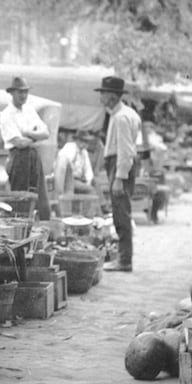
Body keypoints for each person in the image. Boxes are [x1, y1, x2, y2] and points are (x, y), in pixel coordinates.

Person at [97, 77, 141, 272]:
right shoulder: (126, 114)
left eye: (104, 93)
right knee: (121, 211)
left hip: (120, 164)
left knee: (121, 213)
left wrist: (119, 177)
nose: (101, 96)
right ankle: (124, 258)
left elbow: (125, 150)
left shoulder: (122, 117)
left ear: (113, 97)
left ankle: (124, 260)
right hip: (119, 163)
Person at [0, 76, 51, 220]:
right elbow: (19, 143)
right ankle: (19, 231)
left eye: (25, 92)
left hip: (33, 156)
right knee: (20, 199)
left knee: (40, 196)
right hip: (18, 158)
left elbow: (46, 133)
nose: (23, 96)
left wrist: (27, 134)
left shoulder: (29, 110)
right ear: (12, 93)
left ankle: (41, 228)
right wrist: (34, 137)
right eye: (20, 92)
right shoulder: (6, 115)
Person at [53, 127, 95, 199]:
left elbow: (88, 170)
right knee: (91, 190)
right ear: (77, 140)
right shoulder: (70, 147)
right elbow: (63, 166)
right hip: (67, 179)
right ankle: (100, 207)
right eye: (83, 141)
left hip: (80, 180)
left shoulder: (84, 153)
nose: (85, 144)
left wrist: (89, 181)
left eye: (86, 141)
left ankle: (103, 205)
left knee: (95, 183)